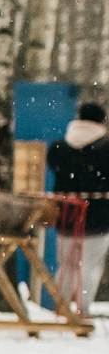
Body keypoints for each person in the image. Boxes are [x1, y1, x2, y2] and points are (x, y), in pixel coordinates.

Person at [47, 100, 109, 307]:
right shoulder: (106, 148)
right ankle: (82, 310)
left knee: (66, 265)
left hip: (67, 216)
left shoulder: (58, 147)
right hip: (100, 217)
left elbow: (55, 169)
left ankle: (61, 307)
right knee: (90, 265)